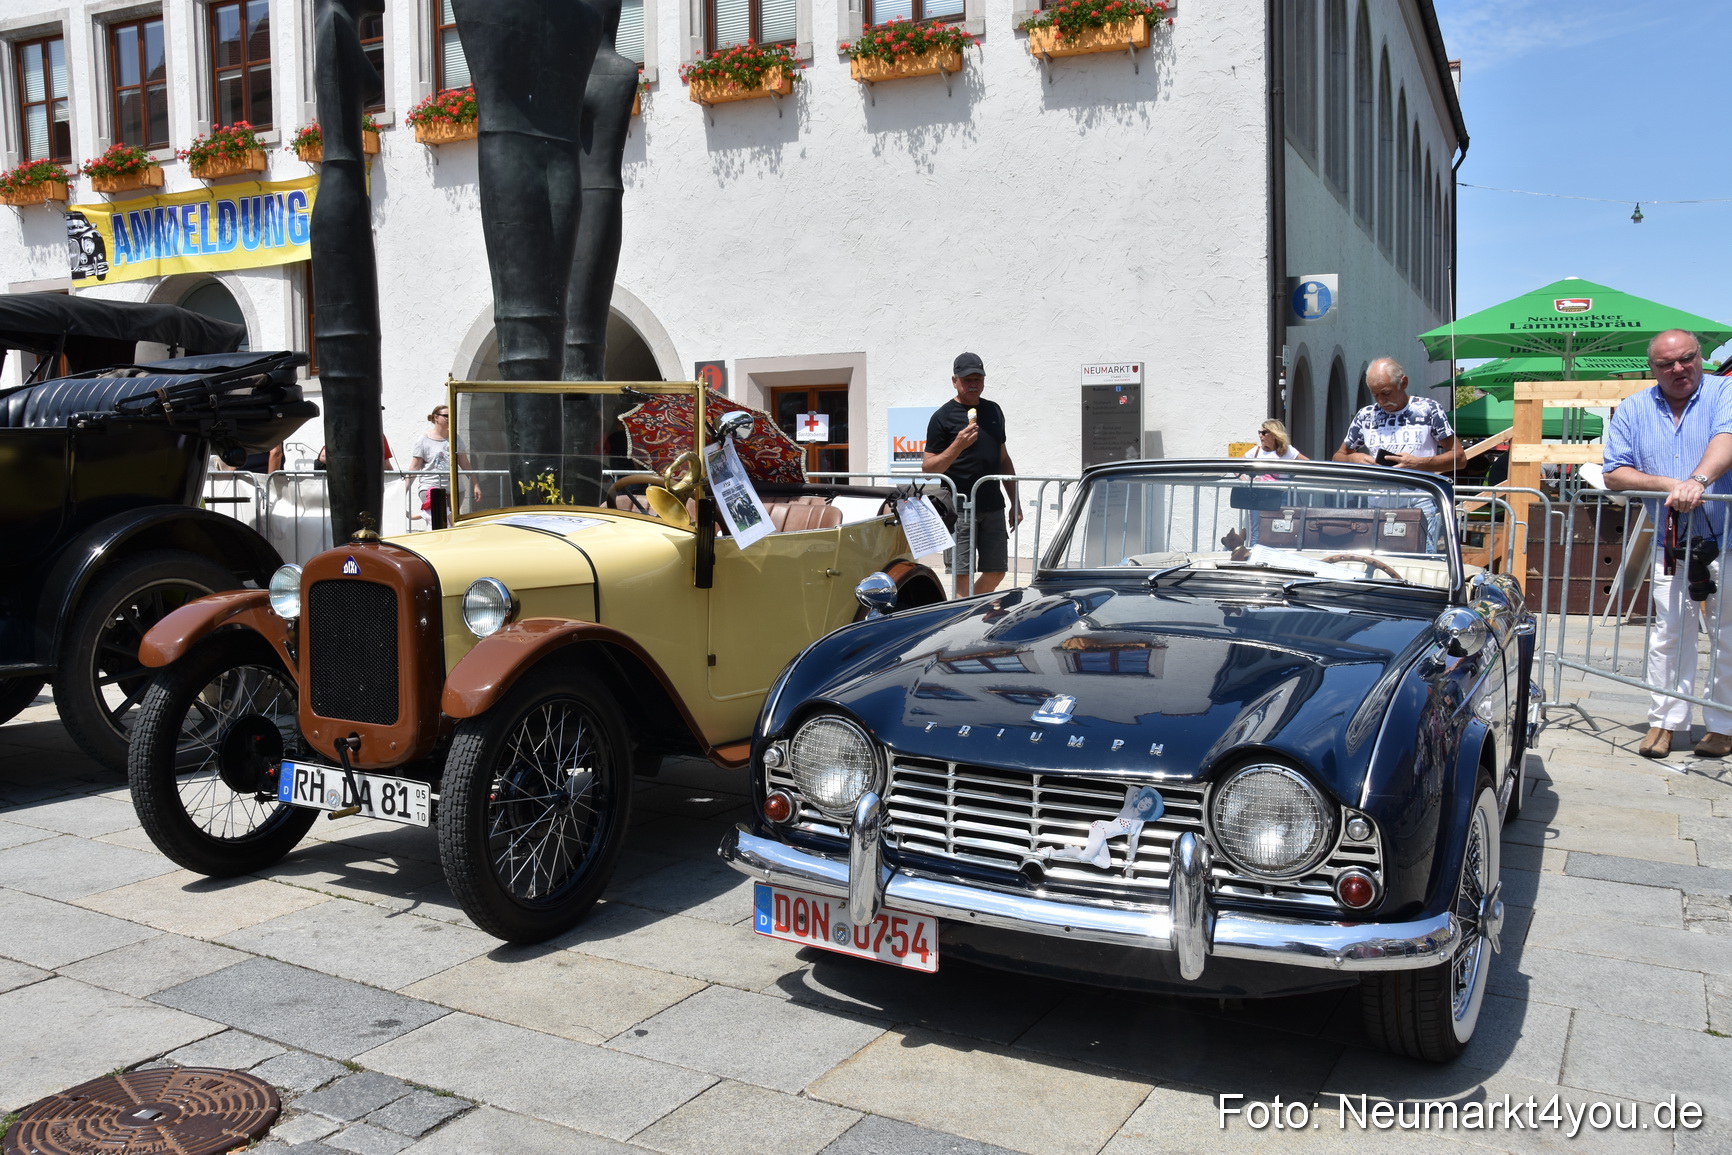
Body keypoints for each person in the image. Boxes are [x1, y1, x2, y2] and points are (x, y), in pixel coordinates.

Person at [1603, 329, 1732, 759]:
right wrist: (1670, 485)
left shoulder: (1723, 391)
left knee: (1727, 634)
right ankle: (1664, 721)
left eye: (1688, 358)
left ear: (1700, 356)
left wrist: (1698, 481)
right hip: (1671, 543)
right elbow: (1615, 472)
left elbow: (1727, 440)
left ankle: (1723, 723)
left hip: (1725, 539)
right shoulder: (1634, 409)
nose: (1679, 369)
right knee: (1668, 634)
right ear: (1652, 368)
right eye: (1666, 364)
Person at [923, 352, 1020, 596]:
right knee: (961, 577)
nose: (973, 384)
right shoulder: (941, 418)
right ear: (954, 381)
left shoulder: (994, 411)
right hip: (959, 508)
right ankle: (967, 619)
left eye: (978, 378)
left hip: (993, 506)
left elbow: (1003, 459)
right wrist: (958, 445)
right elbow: (928, 470)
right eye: (967, 379)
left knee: (997, 571)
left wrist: (1014, 501)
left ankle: (972, 611)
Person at [1333, 357, 1464, 473]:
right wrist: (1353, 458)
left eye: (1386, 393)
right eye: (1375, 395)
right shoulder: (1365, 415)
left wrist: (1418, 463)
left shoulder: (1429, 409)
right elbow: (1338, 457)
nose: (1381, 400)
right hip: (1377, 499)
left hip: (1420, 499)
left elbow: (1459, 458)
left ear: (1404, 383)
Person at [409, 404, 482, 524]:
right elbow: (414, 466)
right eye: (446, 416)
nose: (449, 419)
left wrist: (475, 484)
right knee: (437, 522)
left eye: (451, 416)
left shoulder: (455, 438)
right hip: (431, 488)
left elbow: (465, 463)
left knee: (452, 523)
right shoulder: (424, 439)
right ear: (436, 418)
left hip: (455, 489)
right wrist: (404, 489)